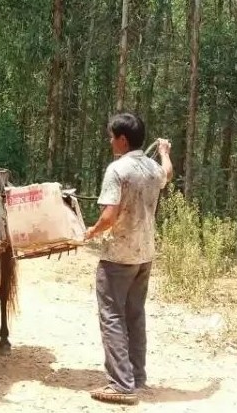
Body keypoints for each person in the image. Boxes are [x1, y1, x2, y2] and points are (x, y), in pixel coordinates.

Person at [83, 113, 173, 405]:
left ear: (122, 139)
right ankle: (137, 374)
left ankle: (122, 385)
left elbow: (109, 216)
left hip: (118, 257)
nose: (110, 141)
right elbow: (167, 174)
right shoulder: (152, 168)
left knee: (112, 317)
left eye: (111, 136)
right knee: (135, 315)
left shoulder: (118, 170)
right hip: (144, 254)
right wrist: (164, 153)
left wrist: (91, 232)